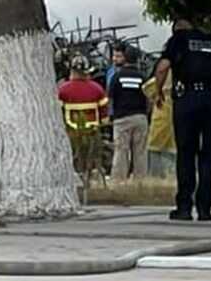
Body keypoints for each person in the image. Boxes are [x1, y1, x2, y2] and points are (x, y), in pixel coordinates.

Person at [154, 20, 211, 222]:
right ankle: (205, 208)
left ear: (177, 28)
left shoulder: (179, 39)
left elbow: (162, 68)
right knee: (209, 154)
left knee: (186, 153)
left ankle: (184, 207)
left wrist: (158, 92)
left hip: (188, 99)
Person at [57, 55, 109, 186]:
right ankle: (91, 181)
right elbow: (104, 116)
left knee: (74, 158)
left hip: (71, 132)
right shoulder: (97, 89)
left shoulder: (62, 90)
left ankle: (76, 181)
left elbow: (58, 112)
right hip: (93, 132)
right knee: (94, 158)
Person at [108, 47, 149, 182]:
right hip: (140, 117)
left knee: (121, 151)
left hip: (122, 119)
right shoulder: (143, 77)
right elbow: (149, 97)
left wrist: (111, 117)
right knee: (140, 152)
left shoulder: (117, 76)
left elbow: (111, 98)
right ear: (137, 60)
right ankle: (140, 182)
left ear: (124, 58)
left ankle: (119, 182)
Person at [143, 74, 176, 178]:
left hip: (161, 114)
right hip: (180, 117)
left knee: (155, 147)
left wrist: (156, 96)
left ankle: (156, 176)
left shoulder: (165, 75)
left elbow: (146, 88)